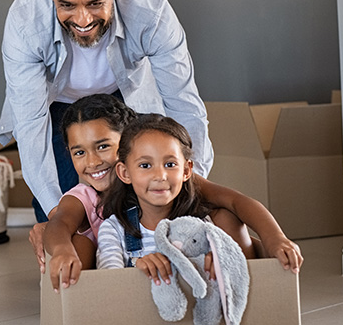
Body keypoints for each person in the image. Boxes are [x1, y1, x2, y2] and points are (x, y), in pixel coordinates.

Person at [0, 0, 214, 254]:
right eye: (67, 5)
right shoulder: (27, 19)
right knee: (67, 216)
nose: (82, 19)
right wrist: (58, 218)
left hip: (125, 100)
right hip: (56, 106)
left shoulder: (150, 11)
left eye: (95, 3)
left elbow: (184, 104)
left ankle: (135, 260)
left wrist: (191, 187)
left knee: (140, 190)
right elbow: (30, 126)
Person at [43, 95, 302, 291]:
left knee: (225, 216)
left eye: (102, 146)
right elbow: (60, 223)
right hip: (123, 275)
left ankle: (242, 288)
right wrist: (62, 250)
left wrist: (274, 239)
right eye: (80, 152)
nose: (92, 161)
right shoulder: (85, 196)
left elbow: (235, 200)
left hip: (189, 265)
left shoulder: (168, 179)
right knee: (78, 243)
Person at [94, 114, 302, 283]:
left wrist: (221, 260)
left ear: (187, 171)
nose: (160, 176)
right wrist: (138, 269)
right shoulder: (114, 230)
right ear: (124, 173)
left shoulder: (204, 227)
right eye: (145, 165)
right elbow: (109, 283)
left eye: (170, 164)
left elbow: (233, 269)